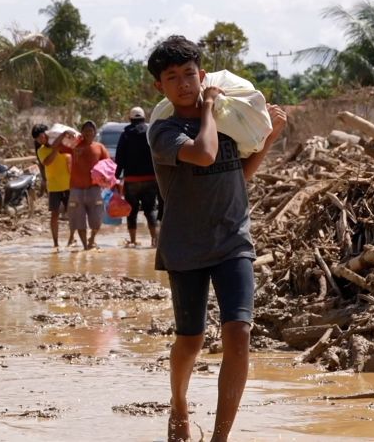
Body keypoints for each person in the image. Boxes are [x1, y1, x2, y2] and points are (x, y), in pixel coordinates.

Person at [146, 35, 286, 442]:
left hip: (233, 242)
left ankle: (220, 438)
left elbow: (236, 176)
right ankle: (178, 403)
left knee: (239, 334)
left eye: (190, 74)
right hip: (185, 245)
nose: (184, 83)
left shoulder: (225, 122)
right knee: (190, 340)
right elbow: (205, 155)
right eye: (172, 77)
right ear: (160, 87)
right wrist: (208, 106)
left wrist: (270, 137)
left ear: (202, 74)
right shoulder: (164, 131)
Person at [114, 106, 159, 247]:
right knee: (150, 210)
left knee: (132, 211)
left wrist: (116, 177)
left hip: (131, 181)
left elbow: (119, 158)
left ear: (130, 119)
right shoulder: (150, 133)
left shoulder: (126, 134)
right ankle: (154, 241)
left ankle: (133, 241)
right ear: (144, 118)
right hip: (151, 179)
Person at [67, 120, 110, 250]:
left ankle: (92, 239)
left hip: (95, 189)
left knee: (97, 220)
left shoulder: (100, 147)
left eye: (91, 131)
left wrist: (111, 184)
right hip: (76, 189)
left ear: (95, 133)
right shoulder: (74, 146)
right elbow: (57, 146)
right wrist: (65, 134)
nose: (88, 133)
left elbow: (109, 167)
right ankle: (85, 246)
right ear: (82, 133)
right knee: (78, 220)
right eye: (85, 131)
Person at [32, 124, 73, 249]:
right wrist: (56, 148)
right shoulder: (41, 151)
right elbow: (47, 162)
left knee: (72, 213)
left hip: (69, 185)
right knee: (54, 215)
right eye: (38, 140)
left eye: (41, 137)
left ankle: (72, 239)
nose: (41, 140)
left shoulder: (64, 146)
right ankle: (55, 243)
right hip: (54, 186)